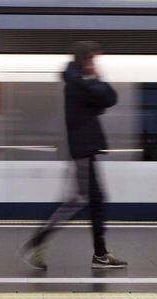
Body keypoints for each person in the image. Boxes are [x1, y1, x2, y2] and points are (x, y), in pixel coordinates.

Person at [21, 41, 127, 270]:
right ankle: (37, 241)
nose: (94, 64)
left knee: (95, 199)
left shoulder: (78, 82)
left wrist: (95, 84)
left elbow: (106, 99)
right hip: (82, 149)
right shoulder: (77, 82)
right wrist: (96, 78)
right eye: (92, 59)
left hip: (86, 148)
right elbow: (109, 98)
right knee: (78, 200)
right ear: (83, 59)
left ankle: (99, 253)